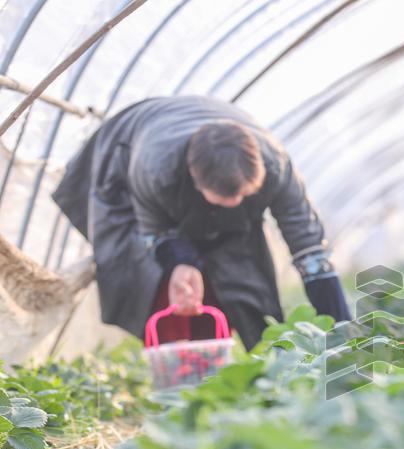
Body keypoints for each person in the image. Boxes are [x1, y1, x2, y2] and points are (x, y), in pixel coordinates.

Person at [52, 96, 350, 348]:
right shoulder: (155, 167)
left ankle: (231, 359)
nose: (233, 205)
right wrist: (180, 261)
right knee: (154, 276)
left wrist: (344, 334)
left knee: (242, 276)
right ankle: (181, 364)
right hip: (123, 167)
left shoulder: (278, 167)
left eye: (243, 196)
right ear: (196, 180)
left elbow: (310, 249)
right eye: (221, 199)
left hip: (188, 158)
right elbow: (154, 228)